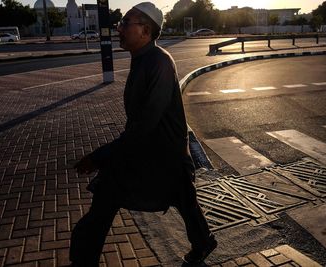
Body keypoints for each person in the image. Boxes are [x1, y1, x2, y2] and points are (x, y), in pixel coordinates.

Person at [69, 2, 217, 266]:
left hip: (162, 154)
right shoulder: (143, 59)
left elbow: (146, 123)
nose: (119, 28)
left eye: (126, 23)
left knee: (181, 198)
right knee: (112, 198)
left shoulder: (159, 62)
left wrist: (102, 156)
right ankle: (84, 260)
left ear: (145, 31)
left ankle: (203, 242)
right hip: (148, 150)